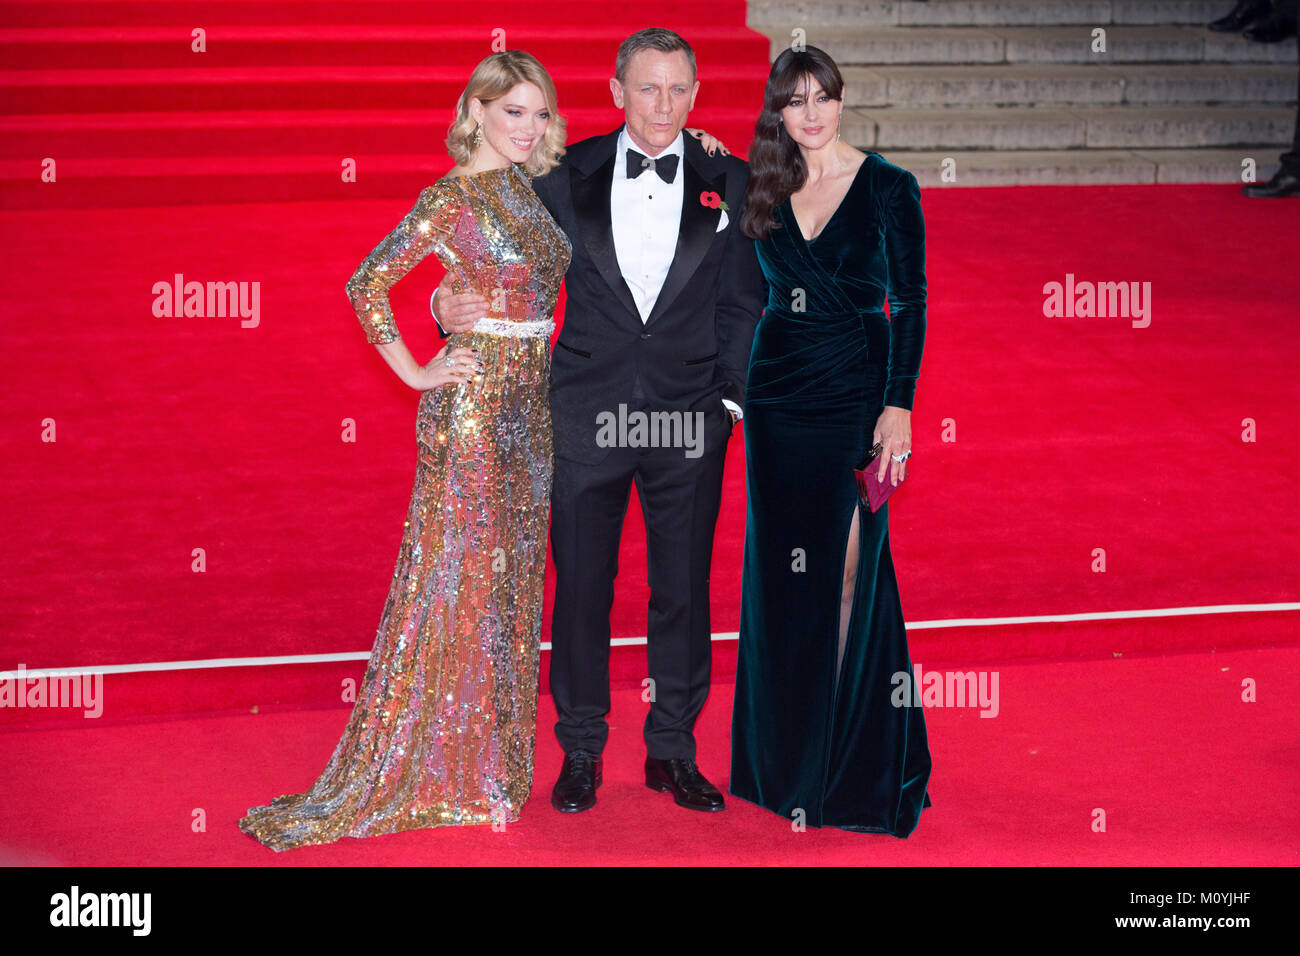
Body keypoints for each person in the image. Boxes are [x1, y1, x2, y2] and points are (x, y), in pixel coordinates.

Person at [237, 50, 571, 850]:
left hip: (533, 409)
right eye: (511, 111)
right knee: (458, 572)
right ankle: (440, 770)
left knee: (514, 583)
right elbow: (364, 283)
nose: (527, 127)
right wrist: (418, 372)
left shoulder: (525, 187)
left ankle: (488, 768)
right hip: (475, 411)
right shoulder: (450, 198)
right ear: (477, 113)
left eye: (538, 112)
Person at [436, 27, 766, 815]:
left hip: (689, 420)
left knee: (682, 588)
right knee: (582, 586)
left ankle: (672, 751)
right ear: (617, 91)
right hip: (585, 413)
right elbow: (491, 257)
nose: (664, 106)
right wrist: (446, 307)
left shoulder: (733, 177)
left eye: (679, 89)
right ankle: (581, 748)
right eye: (647, 88)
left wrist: (726, 403)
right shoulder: (561, 173)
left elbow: (744, 302)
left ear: (696, 91)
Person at [728, 45, 933, 836]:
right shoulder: (763, 182)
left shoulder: (889, 187)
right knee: (784, 579)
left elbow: (910, 304)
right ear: (777, 111)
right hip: (778, 398)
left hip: (857, 397)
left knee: (849, 574)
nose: (811, 114)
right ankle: (783, 766)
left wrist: (900, 407)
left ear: (842, 102)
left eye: (823, 98)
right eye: (795, 101)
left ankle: (842, 767)